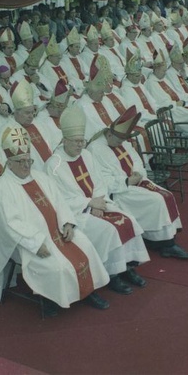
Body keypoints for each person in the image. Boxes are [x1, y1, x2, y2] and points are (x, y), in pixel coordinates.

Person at [0, 125, 111, 316]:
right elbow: (10, 224)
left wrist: (67, 223)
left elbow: (60, 202)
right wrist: (35, 243)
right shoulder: (2, 188)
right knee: (56, 266)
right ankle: (52, 299)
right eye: (21, 161)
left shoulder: (41, 177)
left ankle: (88, 291)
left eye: (29, 160)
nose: (27, 165)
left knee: (86, 247)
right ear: (9, 163)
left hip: (57, 231)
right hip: (28, 241)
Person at [45, 105, 149, 294]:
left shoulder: (85, 154)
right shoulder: (54, 164)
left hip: (98, 202)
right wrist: (89, 204)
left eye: (82, 141)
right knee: (109, 230)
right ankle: (113, 275)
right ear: (65, 140)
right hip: (77, 214)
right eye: (76, 141)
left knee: (128, 219)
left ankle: (128, 268)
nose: (80, 145)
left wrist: (98, 200)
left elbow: (98, 180)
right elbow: (59, 198)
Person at [87, 106, 188, 260]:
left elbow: (135, 159)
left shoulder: (120, 139)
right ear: (109, 134)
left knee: (166, 195)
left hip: (136, 181)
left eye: (123, 140)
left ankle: (164, 240)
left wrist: (137, 172)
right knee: (156, 200)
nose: (121, 143)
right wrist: (127, 181)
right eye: (118, 140)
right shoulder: (95, 149)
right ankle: (163, 244)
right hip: (120, 191)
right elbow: (100, 180)